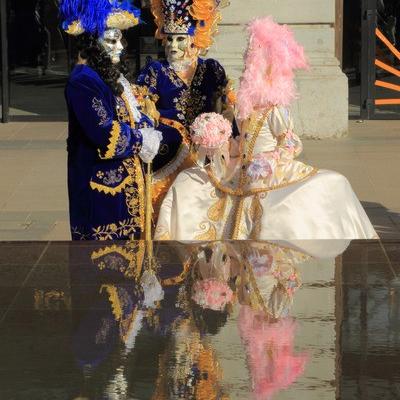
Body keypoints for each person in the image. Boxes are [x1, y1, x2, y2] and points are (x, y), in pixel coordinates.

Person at [154, 16, 378, 240]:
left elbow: (291, 142)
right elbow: (239, 142)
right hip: (238, 170)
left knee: (310, 193)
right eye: (247, 65)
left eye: (253, 66)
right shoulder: (244, 109)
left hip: (267, 173)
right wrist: (219, 142)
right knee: (188, 184)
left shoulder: (275, 110)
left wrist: (270, 159)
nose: (247, 71)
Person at [60, 0, 162, 240]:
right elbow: (106, 134)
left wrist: (148, 124)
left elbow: (128, 114)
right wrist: (141, 139)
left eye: (120, 40)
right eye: (111, 41)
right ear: (92, 43)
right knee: (103, 267)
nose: (120, 47)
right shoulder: (83, 81)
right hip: (101, 194)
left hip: (121, 188)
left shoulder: (104, 75)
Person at [136, 0, 235, 213]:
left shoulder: (211, 69)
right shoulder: (156, 71)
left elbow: (228, 106)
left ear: (193, 40)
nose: (173, 46)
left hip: (207, 149)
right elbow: (142, 112)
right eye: (169, 39)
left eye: (180, 39)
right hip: (169, 150)